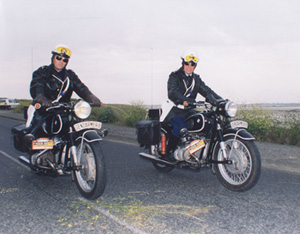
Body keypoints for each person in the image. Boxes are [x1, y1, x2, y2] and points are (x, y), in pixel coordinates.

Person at [25, 45, 101, 136]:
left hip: (64, 111)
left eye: (65, 60)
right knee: (36, 131)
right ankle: (36, 145)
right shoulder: (42, 72)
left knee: (76, 127)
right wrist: (40, 97)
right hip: (44, 109)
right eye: (58, 58)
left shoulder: (70, 75)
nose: (61, 61)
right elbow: (37, 85)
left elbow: (81, 87)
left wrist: (91, 97)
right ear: (53, 58)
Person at [166, 49, 224, 139]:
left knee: (208, 123)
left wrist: (221, 101)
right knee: (181, 129)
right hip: (175, 110)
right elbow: (173, 93)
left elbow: (207, 91)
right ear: (183, 63)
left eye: (192, 64)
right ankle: (170, 152)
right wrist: (189, 101)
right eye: (187, 63)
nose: (189, 67)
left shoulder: (196, 79)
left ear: (195, 66)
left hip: (189, 111)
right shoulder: (175, 76)